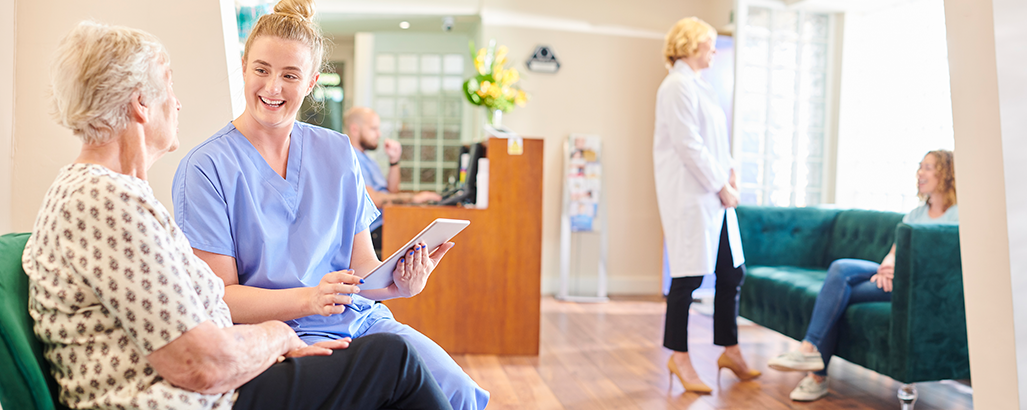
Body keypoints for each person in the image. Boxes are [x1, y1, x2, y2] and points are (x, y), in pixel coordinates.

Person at [23, 20, 452, 410]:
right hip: (190, 398)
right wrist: (280, 336)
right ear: (141, 103)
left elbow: (192, 328)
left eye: (290, 75)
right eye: (168, 86)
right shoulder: (104, 202)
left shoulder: (116, 195)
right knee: (392, 361)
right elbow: (201, 362)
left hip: (215, 382)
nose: (177, 101)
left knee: (403, 364)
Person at [171, 1, 488, 409]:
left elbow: (360, 271)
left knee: (457, 390)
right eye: (262, 70)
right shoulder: (206, 167)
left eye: (290, 75)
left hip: (362, 321)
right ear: (245, 65)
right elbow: (221, 299)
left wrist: (401, 284)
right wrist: (308, 299)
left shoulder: (337, 152)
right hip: (285, 334)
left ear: (311, 82)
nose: (272, 88)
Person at [768, 150, 958, 402]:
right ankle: (810, 353)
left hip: (915, 286)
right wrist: (887, 267)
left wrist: (898, 272)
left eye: (928, 167)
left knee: (836, 295)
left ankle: (815, 371)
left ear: (945, 173)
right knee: (840, 270)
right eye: (920, 167)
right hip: (893, 277)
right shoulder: (915, 214)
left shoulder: (956, 215)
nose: (920, 173)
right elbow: (893, 251)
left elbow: (946, 266)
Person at [652, 16, 760, 394]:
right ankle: (678, 356)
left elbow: (715, 142)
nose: (715, 50)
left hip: (715, 196)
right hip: (693, 196)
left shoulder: (700, 86)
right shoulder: (676, 87)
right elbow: (689, 146)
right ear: (690, 44)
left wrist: (730, 174)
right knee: (687, 279)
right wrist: (720, 186)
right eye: (709, 43)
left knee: (732, 274)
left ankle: (730, 350)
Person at [345, 107, 442, 254]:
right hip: (372, 233)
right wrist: (413, 198)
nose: (379, 134)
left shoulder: (368, 160)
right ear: (355, 129)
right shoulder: (351, 158)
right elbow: (374, 200)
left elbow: (392, 192)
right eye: (373, 129)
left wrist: (394, 160)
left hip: (386, 223)